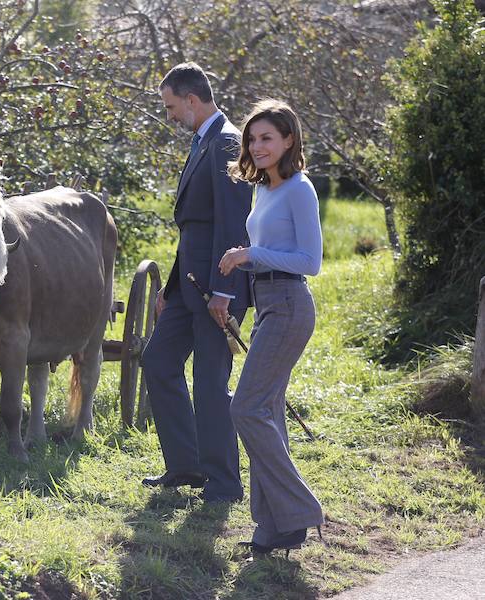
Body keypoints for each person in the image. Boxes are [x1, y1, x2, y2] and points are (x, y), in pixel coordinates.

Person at [140, 63, 252, 503]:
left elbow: (233, 221)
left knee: (209, 381)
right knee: (159, 362)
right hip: (188, 287)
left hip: (215, 290)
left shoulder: (226, 141)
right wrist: (169, 290)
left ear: (191, 99)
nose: (168, 114)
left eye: (170, 105)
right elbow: (193, 229)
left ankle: (224, 483)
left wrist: (225, 292)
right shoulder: (202, 141)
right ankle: (185, 467)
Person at [218, 99, 324, 553]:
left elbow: (311, 261)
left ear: (288, 141)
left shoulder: (300, 189)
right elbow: (265, 248)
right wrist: (243, 260)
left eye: (267, 138)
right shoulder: (264, 189)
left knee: (247, 409)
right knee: (268, 414)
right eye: (252, 138)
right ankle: (275, 527)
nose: (257, 146)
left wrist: (251, 254)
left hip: (289, 303)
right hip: (266, 304)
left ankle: (300, 509)